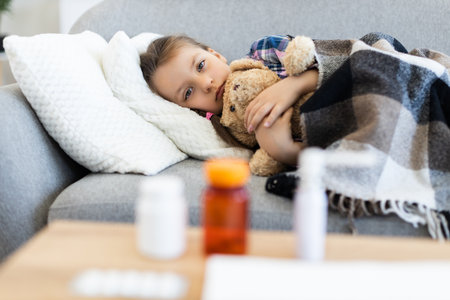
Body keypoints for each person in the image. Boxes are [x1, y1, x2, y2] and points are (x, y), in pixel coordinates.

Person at [140, 35, 318, 166]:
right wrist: (286, 152)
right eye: (188, 92)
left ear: (216, 55)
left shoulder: (263, 52)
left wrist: (294, 85)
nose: (206, 83)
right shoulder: (232, 134)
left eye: (201, 65)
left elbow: (337, 60)